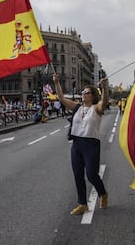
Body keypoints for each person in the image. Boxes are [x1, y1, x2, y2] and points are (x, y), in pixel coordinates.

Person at [53, 73, 109, 215]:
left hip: (91, 145)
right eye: (83, 92)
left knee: (91, 175)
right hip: (77, 144)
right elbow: (61, 98)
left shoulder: (96, 109)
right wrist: (56, 82)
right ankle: (83, 203)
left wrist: (105, 88)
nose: (84, 94)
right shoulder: (77, 107)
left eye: (87, 92)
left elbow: (105, 101)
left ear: (93, 95)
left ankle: (103, 194)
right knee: (78, 175)